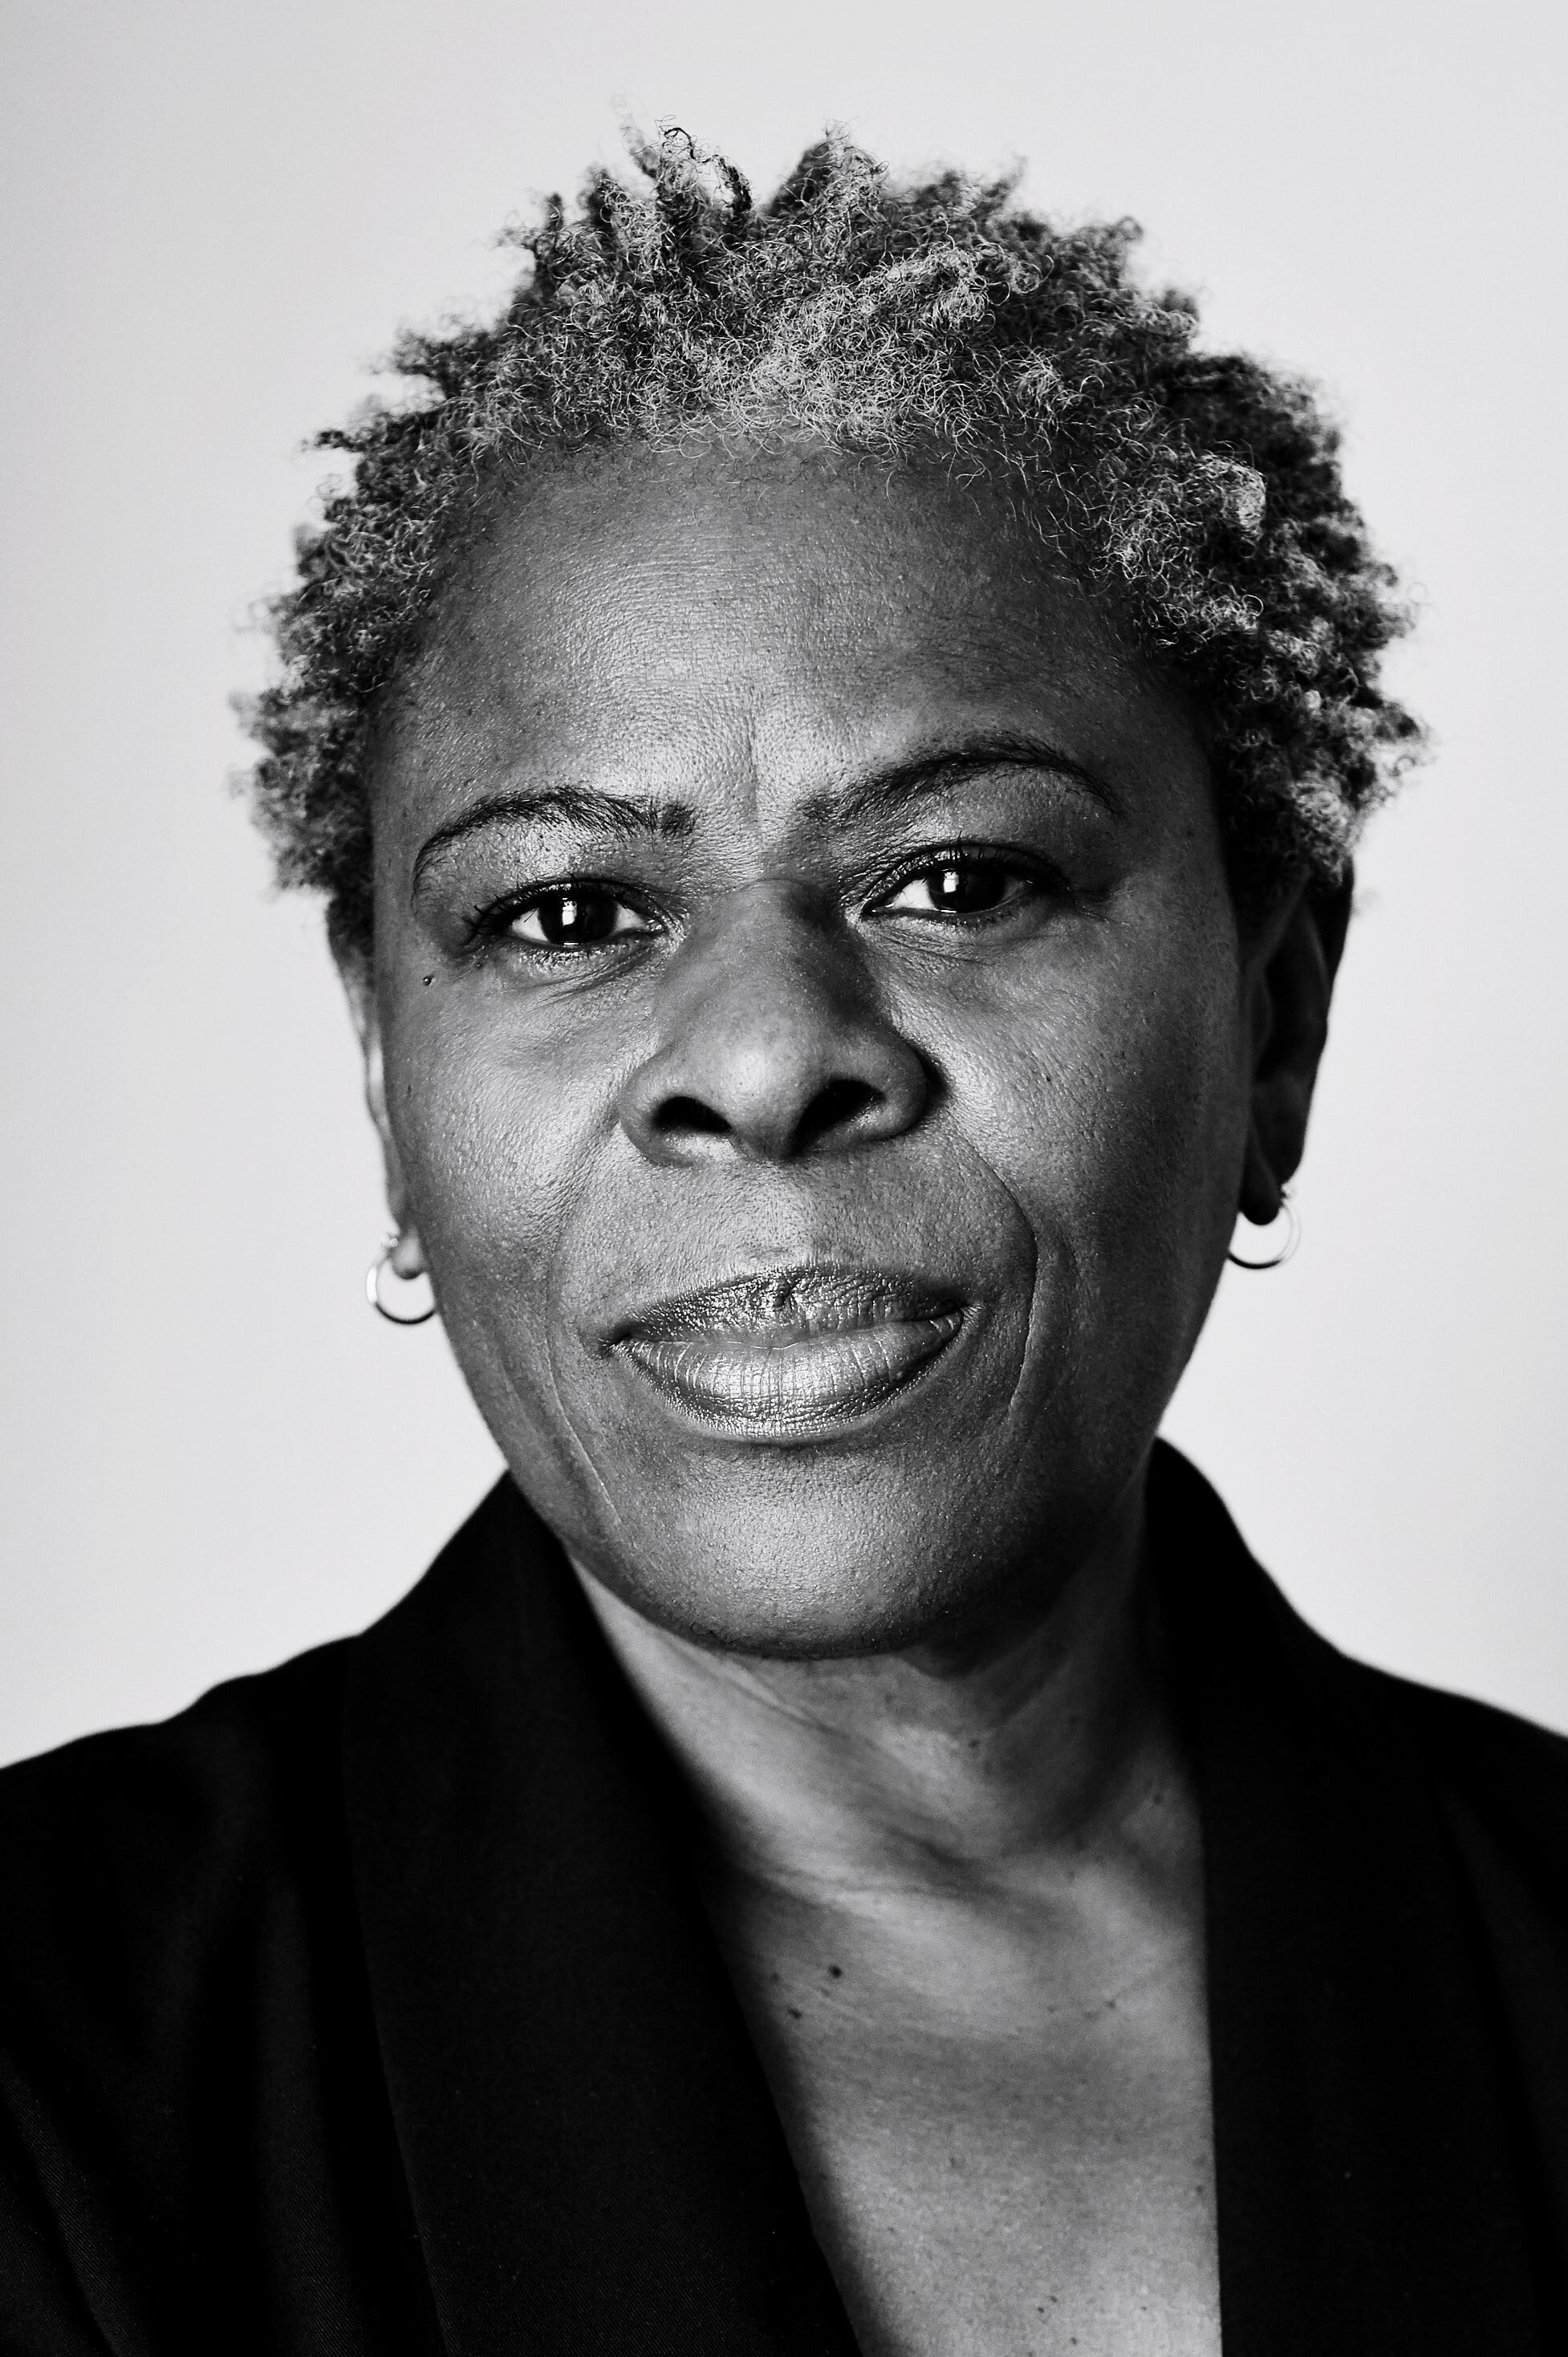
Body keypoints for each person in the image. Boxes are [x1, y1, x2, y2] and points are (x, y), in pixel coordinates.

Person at [2, 128, 1564, 2357]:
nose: (758, 1059)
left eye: (960, 880)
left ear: (1276, 1022)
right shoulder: (47, 2060)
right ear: (384, 1080)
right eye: (567, 913)